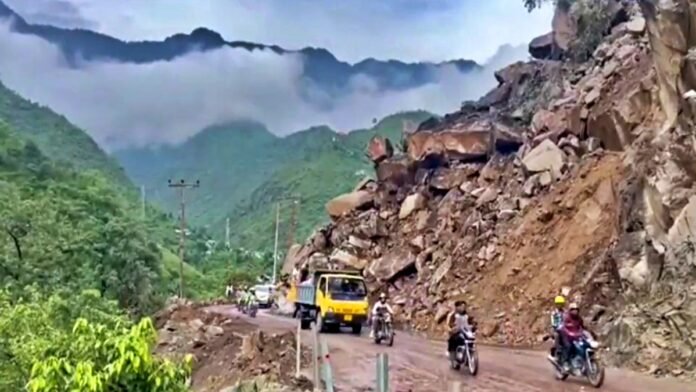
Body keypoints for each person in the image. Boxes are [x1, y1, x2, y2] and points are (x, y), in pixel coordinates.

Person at [558, 302, 587, 370]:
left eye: (576, 310)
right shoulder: (566, 317)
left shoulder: (579, 318)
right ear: (570, 310)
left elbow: (583, 327)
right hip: (566, 335)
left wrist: (589, 333)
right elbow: (563, 327)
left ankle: (582, 362)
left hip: (576, 336)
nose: (575, 311)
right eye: (573, 310)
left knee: (584, 345)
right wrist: (568, 333)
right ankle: (565, 362)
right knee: (569, 346)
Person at [549, 295, 566, 360]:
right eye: (558, 304)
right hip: (556, 329)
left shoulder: (565, 312)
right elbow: (553, 322)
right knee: (557, 336)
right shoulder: (554, 313)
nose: (560, 305)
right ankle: (554, 351)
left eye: (561, 304)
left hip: (564, 329)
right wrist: (557, 326)